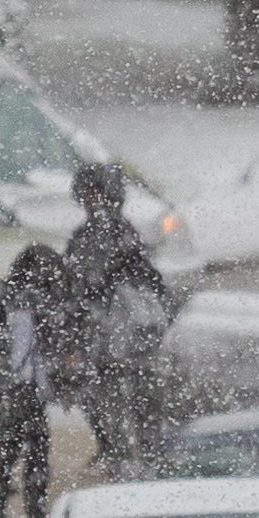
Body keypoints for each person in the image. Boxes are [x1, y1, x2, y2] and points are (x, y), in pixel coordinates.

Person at [59, 162, 172, 470]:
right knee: (122, 400)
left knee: (118, 399)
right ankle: (134, 453)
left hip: (115, 338)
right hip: (119, 338)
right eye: (87, 193)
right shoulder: (111, 233)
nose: (89, 199)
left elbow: (85, 287)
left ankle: (126, 454)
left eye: (94, 193)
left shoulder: (103, 235)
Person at [0, 244, 61, 518]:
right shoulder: (23, 304)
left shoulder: (5, 302)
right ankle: (24, 515)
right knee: (28, 452)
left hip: (11, 388)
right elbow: (24, 351)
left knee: (9, 453)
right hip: (17, 388)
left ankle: (2, 516)